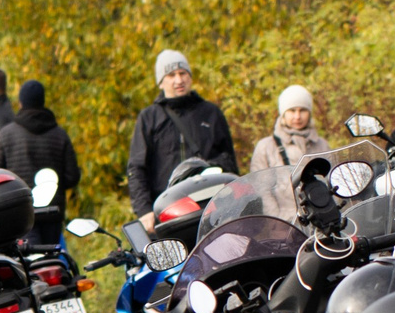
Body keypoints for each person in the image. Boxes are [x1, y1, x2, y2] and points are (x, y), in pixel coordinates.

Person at [125, 51, 237, 218]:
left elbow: (230, 163)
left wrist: (209, 169)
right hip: (167, 212)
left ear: (190, 77)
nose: (179, 80)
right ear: (161, 82)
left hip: (213, 208)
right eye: (171, 75)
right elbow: (137, 169)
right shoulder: (149, 118)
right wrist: (144, 212)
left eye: (182, 73)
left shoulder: (211, 113)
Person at [0, 81, 82, 221]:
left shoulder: (5, 135)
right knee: (51, 244)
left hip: (20, 211)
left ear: (21, 102)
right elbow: (72, 177)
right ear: (42, 101)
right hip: (53, 212)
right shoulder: (60, 135)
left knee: (27, 243)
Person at [250, 85, 333, 172]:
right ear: (283, 114)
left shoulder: (322, 145)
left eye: (302, 110)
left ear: (309, 113)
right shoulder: (265, 147)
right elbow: (258, 183)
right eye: (292, 111)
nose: (297, 116)